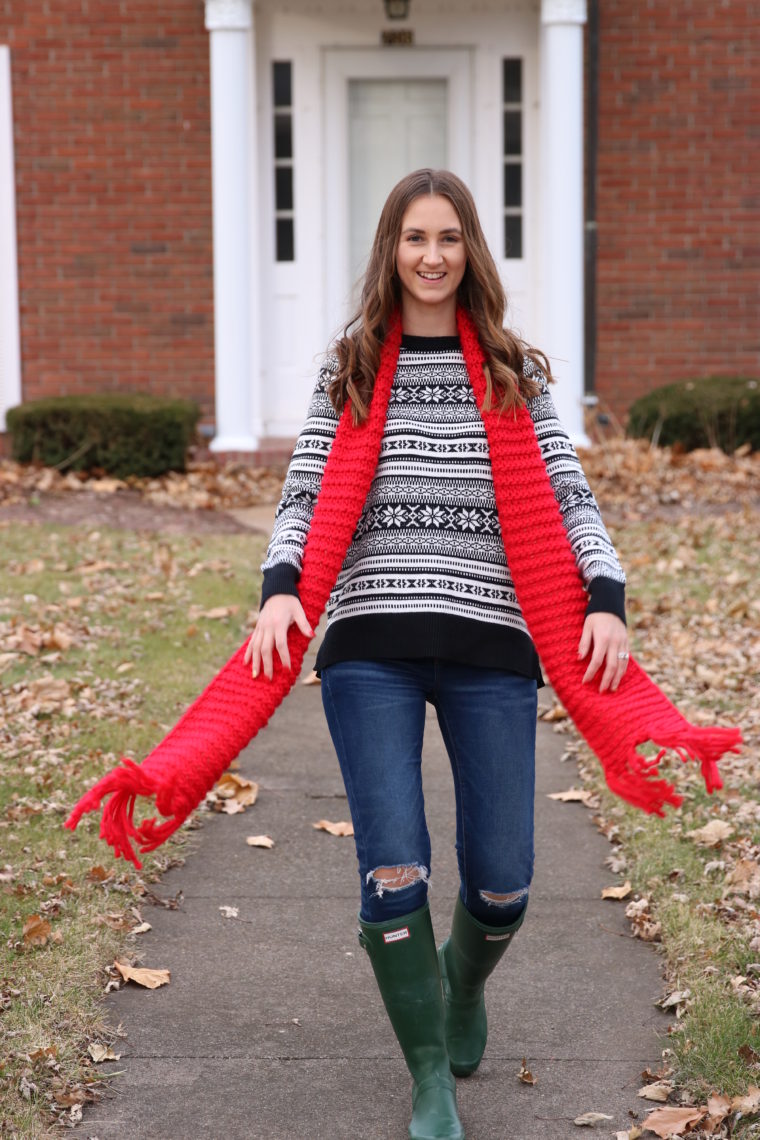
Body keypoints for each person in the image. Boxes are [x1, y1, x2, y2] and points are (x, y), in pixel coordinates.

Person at [244, 169, 629, 1140]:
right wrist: (281, 588)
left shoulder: (514, 371)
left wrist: (605, 597)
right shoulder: (350, 369)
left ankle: (455, 986)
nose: (431, 254)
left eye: (448, 237)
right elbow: (300, 493)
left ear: (469, 252)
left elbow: (570, 495)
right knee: (393, 869)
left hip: (492, 641)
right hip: (371, 644)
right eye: (414, 237)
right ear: (391, 249)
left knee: (503, 879)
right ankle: (429, 1082)